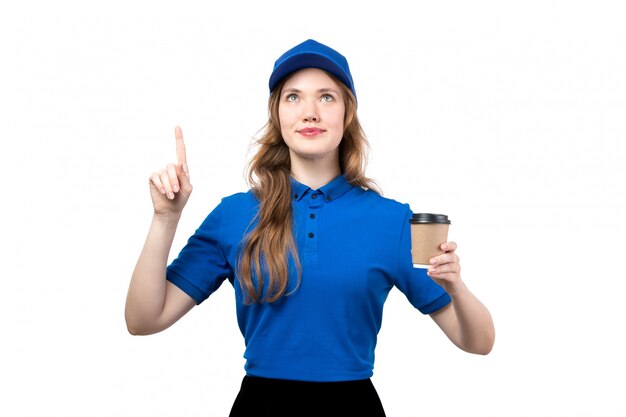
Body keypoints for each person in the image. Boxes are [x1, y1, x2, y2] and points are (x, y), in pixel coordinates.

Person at [125, 39, 495, 416]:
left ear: (347, 113)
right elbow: (143, 319)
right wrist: (165, 220)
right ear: (278, 115)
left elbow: (479, 342)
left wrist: (456, 286)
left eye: (326, 97)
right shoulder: (234, 215)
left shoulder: (392, 220)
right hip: (261, 406)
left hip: (352, 408)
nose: (310, 112)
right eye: (293, 97)